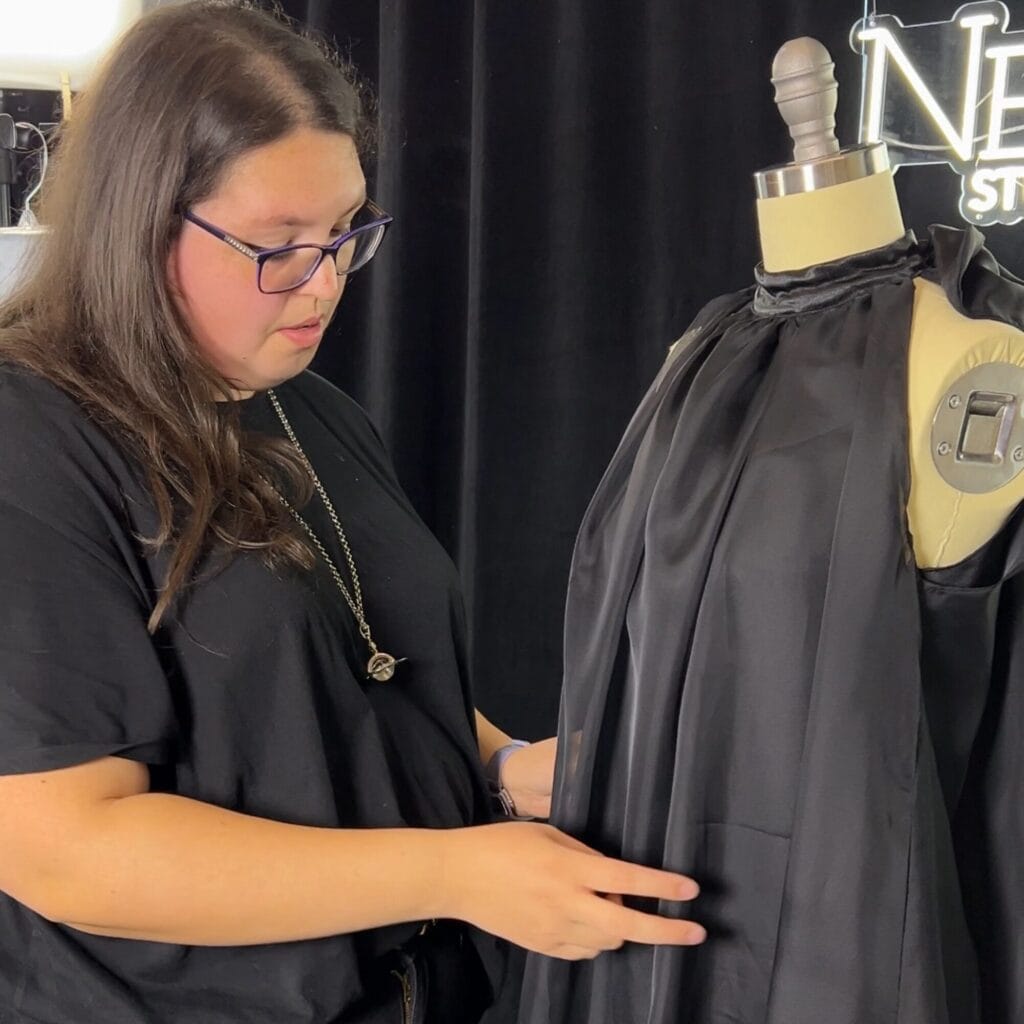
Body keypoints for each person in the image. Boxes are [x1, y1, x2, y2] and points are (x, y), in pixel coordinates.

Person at [0, 3, 706, 1022]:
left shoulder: (305, 404)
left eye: (345, 233)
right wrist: (455, 872)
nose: (323, 283)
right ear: (140, 218)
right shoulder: (34, 440)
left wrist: (502, 768)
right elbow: (69, 852)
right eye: (278, 244)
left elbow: (362, 670)